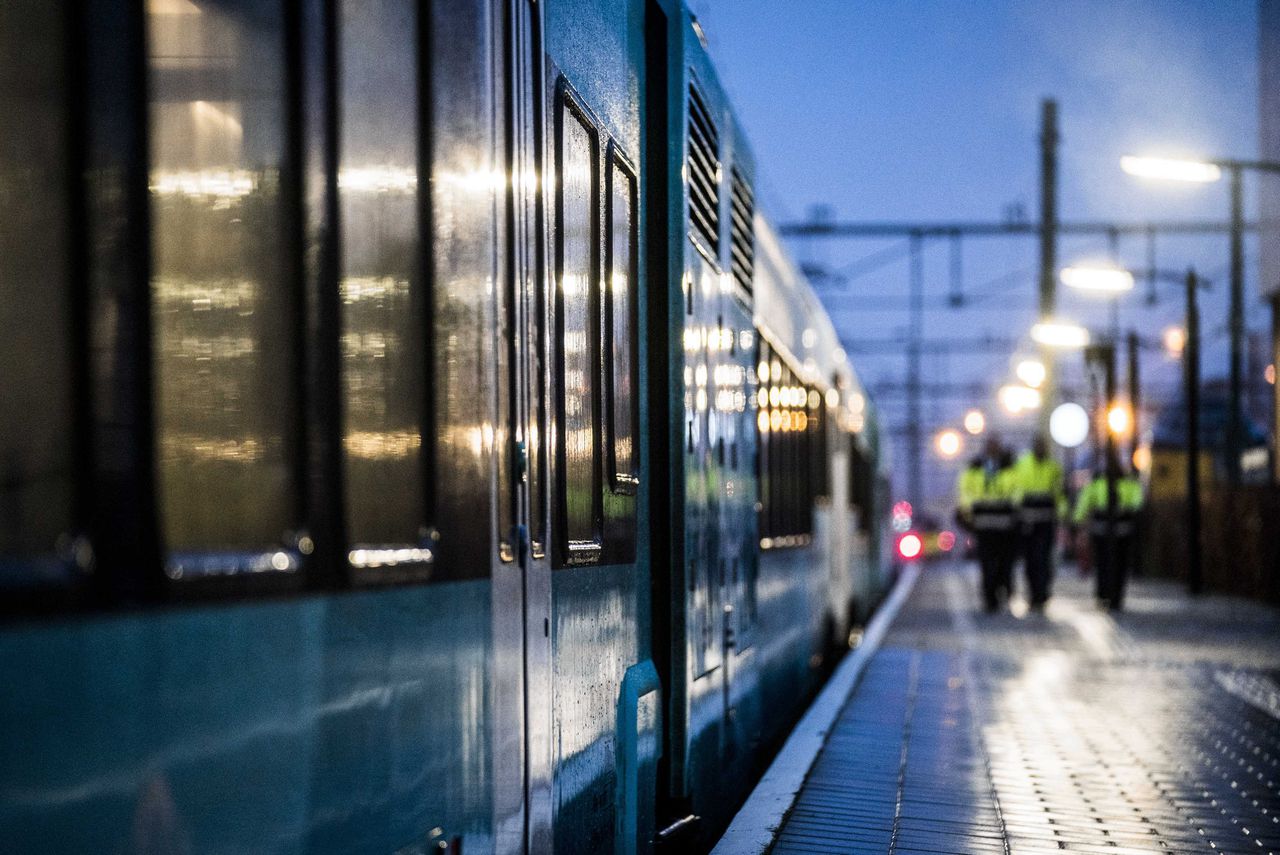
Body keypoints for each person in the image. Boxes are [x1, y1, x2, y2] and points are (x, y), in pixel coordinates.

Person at [1073, 459, 1144, 611]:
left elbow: (1085, 503)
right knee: (1112, 565)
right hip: (1109, 530)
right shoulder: (1124, 483)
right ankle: (1109, 595)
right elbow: (1137, 503)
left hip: (1112, 531)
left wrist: (1078, 521)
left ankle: (1109, 596)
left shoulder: (1104, 483)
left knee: (1108, 564)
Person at [1013, 435, 1066, 610]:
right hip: (1027, 522)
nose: (1041, 449)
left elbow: (1059, 493)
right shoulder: (1022, 465)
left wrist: (1063, 513)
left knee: (1043, 559)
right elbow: (1015, 489)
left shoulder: (1053, 467)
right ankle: (1034, 593)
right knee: (1031, 560)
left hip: (1046, 522)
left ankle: (1042, 593)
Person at [969, 441, 1018, 612]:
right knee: (988, 564)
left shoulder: (1010, 470)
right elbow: (967, 492)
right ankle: (990, 598)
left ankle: (1002, 590)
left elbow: (1017, 492)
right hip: (985, 527)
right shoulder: (976, 471)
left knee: (1004, 564)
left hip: (1005, 528)